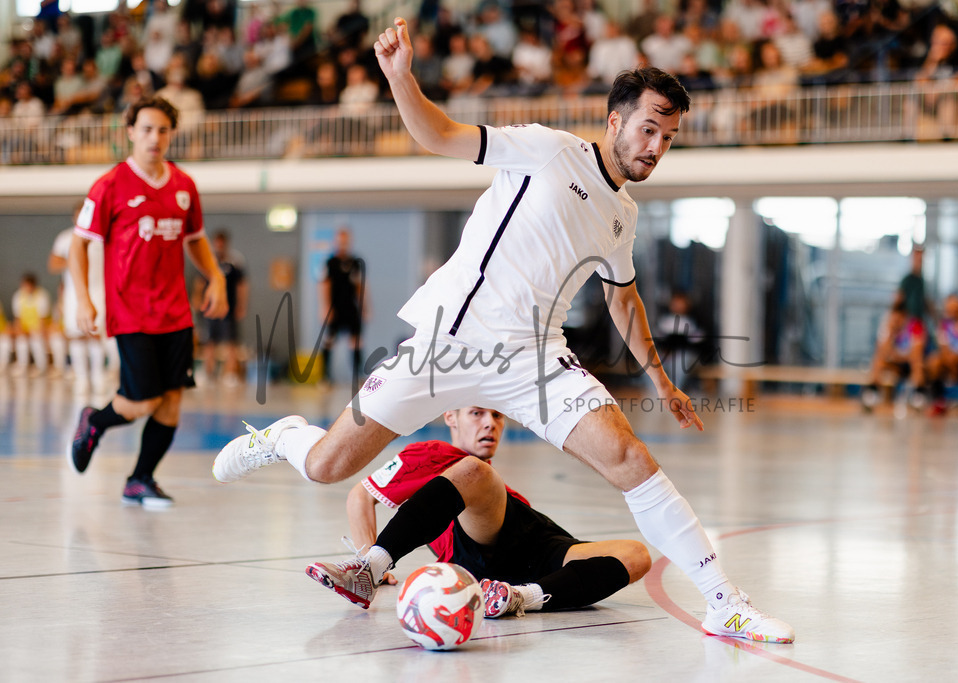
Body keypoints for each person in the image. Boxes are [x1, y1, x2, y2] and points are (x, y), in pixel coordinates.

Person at [214, 18, 794, 644]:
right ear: (615, 121)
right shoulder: (547, 149)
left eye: (668, 136)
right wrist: (400, 77)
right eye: (648, 128)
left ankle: (722, 602)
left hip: (536, 358)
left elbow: (624, 304)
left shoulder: (621, 216)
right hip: (449, 340)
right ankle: (283, 437)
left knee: (631, 458)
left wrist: (664, 383)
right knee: (328, 465)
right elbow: (438, 135)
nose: (655, 146)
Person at [308, 406, 651, 617]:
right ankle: (367, 572)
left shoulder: (489, 477)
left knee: (636, 555)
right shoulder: (432, 454)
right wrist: (373, 559)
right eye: (477, 413)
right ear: (450, 417)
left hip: (537, 543)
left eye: (497, 415)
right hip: (478, 548)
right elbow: (360, 495)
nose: (489, 424)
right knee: (476, 471)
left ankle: (521, 598)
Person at [67, 96, 228, 507]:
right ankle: (94, 421)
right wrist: (85, 299)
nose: (154, 138)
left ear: (171, 134)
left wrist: (216, 278)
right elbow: (79, 245)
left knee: (172, 399)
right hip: (130, 310)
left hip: (175, 310)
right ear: (131, 132)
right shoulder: (109, 186)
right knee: (143, 401)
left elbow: (195, 241)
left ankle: (140, 480)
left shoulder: (184, 186)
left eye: (162, 130)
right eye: (146, 129)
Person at [50, 201, 120, 394]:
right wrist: (77, 257)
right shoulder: (66, 238)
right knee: (76, 335)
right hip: (75, 293)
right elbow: (53, 263)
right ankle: (82, 377)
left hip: (100, 291)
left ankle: (98, 374)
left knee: (96, 334)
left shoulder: (104, 236)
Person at [197, 229, 248, 386]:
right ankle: (208, 374)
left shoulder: (235, 262)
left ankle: (230, 375)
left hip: (228, 309)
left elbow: (242, 285)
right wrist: (197, 300)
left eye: (221, 242)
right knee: (209, 343)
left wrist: (241, 305)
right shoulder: (208, 260)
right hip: (210, 309)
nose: (219, 245)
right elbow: (199, 283)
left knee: (230, 343)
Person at [319, 227, 366, 384]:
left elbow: (360, 286)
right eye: (340, 241)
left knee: (356, 340)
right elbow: (324, 286)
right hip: (335, 308)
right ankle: (325, 376)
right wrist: (325, 308)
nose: (343, 244)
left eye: (346, 241)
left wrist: (364, 306)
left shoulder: (355, 263)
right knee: (329, 340)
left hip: (351, 307)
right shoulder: (330, 263)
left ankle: (358, 374)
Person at [861, 300, 928, 411]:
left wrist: (896, 355)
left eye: (899, 319)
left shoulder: (916, 326)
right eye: (894, 318)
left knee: (917, 362)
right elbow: (882, 351)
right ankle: (872, 392)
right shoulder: (887, 326)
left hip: (911, 364)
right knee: (878, 360)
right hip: (897, 363)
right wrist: (891, 333)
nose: (897, 321)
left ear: (905, 317)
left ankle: (918, 394)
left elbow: (916, 352)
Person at [10, 272, 52, 377]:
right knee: (21, 341)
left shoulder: (42, 295)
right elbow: (18, 318)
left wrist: (37, 331)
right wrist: (20, 331)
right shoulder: (18, 296)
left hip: (38, 329)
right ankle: (22, 366)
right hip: (25, 329)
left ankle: (41, 366)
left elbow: (43, 319)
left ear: (33, 285)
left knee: (37, 341)